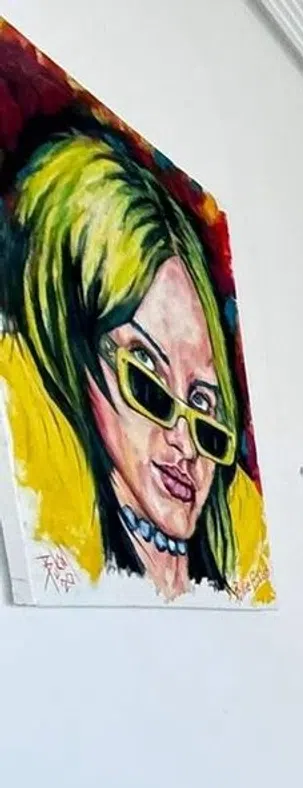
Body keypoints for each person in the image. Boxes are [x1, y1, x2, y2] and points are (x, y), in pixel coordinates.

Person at [1, 130, 249, 602]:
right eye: (148, 379)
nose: (186, 443)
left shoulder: (231, 556)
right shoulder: (64, 527)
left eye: (202, 402)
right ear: (74, 348)